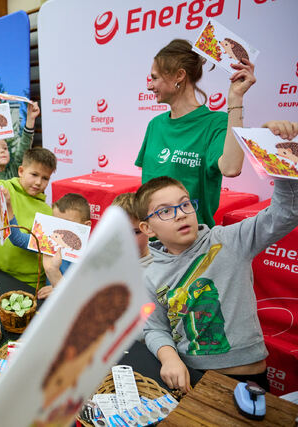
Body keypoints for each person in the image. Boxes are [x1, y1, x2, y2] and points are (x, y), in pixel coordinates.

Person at [136, 174, 298, 393]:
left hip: (245, 377)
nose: (180, 215)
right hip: (189, 376)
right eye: (165, 211)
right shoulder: (151, 274)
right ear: (148, 229)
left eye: (185, 204)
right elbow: (155, 327)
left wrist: (280, 167)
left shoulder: (230, 240)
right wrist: (169, 357)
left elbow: (286, 212)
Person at [135, 39, 258, 227]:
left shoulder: (216, 123)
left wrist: (236, 98)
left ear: (179, 75)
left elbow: (231, 168)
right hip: (153, 245)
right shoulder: (155, 125)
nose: (149, 86)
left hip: (191, 246)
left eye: (154, 78)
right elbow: (145, 194)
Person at [0, 138, 56, 284]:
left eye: (45, 178)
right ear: (21, 171)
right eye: (34, 175)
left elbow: (39, 246)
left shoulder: (47, 211)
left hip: (27, 280)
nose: (39, 182)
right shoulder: (4, 188)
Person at [5, 192, 91, 298]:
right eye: (56, 222)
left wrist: (58, 286)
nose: (62, 230)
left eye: (68, 224)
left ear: (86, 225)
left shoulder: (90, 256)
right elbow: (17, 239)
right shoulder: (49, 241)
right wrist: (8, 207)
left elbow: (85, 292)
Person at [0, 97, 41, 180]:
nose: (2, 151)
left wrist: (30, 120)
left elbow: (22, 151)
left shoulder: (13, 173)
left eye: (5, 148)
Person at [111, 193, 152, 267]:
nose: (127, 239)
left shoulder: (161, 265)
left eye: (135, 232)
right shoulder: (105, 258)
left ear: (150, 228)